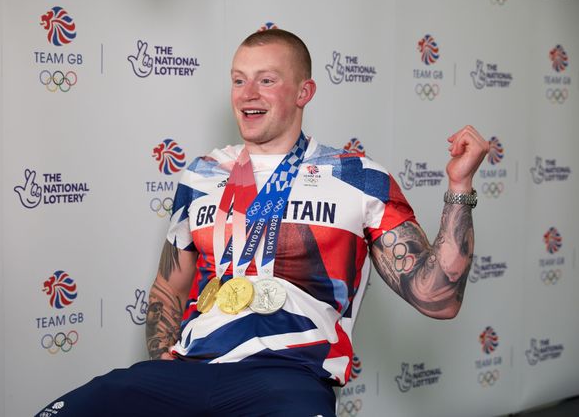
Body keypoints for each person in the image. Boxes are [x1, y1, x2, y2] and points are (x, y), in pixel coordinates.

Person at [35, 29, 489, 417]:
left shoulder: (359, 177)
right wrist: (166, 362)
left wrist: (459, 188)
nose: (247, 94)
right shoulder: (201, 174)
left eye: (266, 81)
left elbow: (437, 298)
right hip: (190, 371)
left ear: (303, 93)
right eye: (238, 80)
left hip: (288, 378)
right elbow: (167, 289)